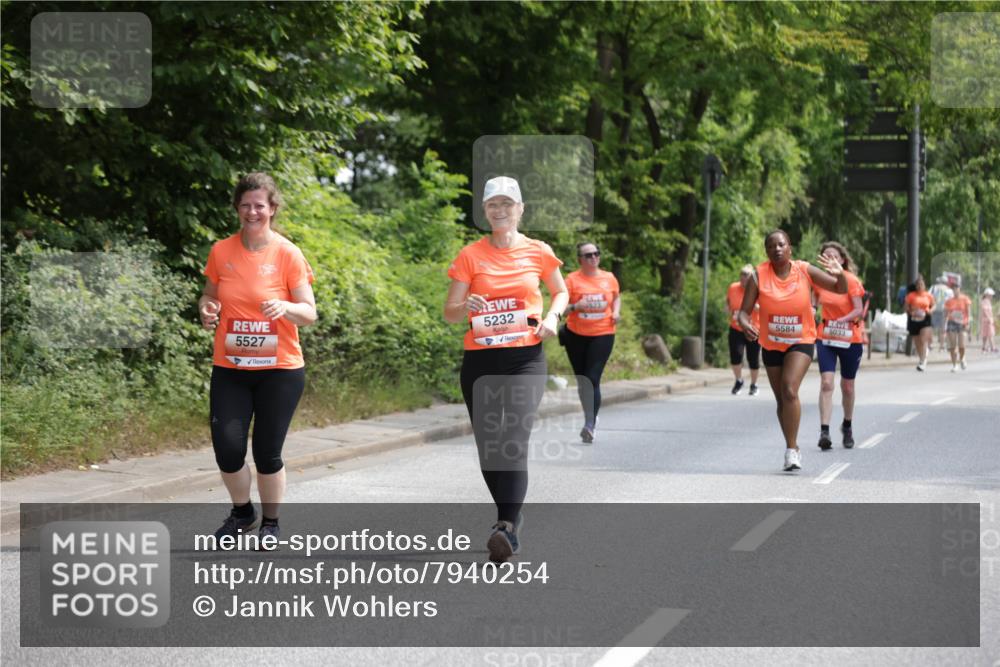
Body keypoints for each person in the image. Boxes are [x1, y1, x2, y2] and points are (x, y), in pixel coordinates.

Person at [444, 176, 567, 562]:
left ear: (520, 209)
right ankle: (512, 514)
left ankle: (505, 527)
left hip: (524, 358)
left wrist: (553, 317)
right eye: (493, 205)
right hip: (480, 360)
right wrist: (466, 307)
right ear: (485, 211)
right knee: (489, 447)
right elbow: (449, 313)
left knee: (512, 440)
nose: (500, 211)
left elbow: (560, 290)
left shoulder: (538, 251)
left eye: (507, 204)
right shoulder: (470, 255)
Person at [199, 172, 317, 543]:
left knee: (267, 452)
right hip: (231, 367)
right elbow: (208, 296)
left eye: (260, 205)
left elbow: (309, 313)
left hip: (279, 370)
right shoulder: (221, 251)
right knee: (227, 447)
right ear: (237, 208)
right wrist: (207, 310)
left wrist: (285, 306)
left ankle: (271, 522)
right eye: (246, 205)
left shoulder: (287, 253)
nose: (253, 212)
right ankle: (242, 512)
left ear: (272, 209)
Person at [737, 230, 847, 472]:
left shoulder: (804, 270)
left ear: (790, 248)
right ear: (766, 252)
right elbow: (742, 313)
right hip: (772, 343)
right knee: (782, 400)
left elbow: (840, 289)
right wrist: (746, 326)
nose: (777, 249)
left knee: (789, 389)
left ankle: (791, 450)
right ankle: (793, 447)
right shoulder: (758, 276)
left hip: (802, 341)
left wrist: (840, 275)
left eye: (781, 244)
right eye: (771, 246)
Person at [563, 241, 620, 443]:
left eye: (596, 253)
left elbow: (616, 297)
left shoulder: (609, 278)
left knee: (592, 378)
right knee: (582, 381)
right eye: (588, 255)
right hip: (575, 335)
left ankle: (590, 425)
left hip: (603, 333)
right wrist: (577, 305)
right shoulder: (571, 280)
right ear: (580, 260)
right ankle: (590, 415)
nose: (593, 257)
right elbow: (561, 308)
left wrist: (616, 312)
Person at [813, 242, 866, 450]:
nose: (830, 260)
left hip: (849, 338)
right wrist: (810, 310)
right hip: (826, 337)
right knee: (827, 383)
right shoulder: (819, 281)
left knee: (847, 386)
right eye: (825, 256)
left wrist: (843, 319)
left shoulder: (851, 280)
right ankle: (824, 431)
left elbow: (859, 310)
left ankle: (847, 425)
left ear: (842, 260)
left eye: (834, 256)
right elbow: (813, 302)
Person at [726, 265, 761, 396]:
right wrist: (728, 309)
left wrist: (757, 307)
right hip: (736, 327)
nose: (743, 277)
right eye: (742, 274)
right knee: (735, 356)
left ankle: (754, 384)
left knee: (753, 358)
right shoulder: (733, 287)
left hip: (753, 328)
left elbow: (765, 308)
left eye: (747, 275)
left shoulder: (758, 289)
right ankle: (738, 380)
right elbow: (728, 302)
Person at [905, 274, 935, 371]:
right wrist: (911, 312)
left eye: (921, 285)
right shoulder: (911, 296)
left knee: (923, 339)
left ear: (924, 285)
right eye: (918, 285)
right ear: (916, 286)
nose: (920, 287)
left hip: (925, 319)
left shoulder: (928, 295)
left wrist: (930, 311)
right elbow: (906, 307)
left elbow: (934, 306)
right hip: (914, 319)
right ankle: (922, 358)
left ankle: (923, 361)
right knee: (917, 341)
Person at [944, 283, 972, 371]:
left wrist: (968, 324)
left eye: (957, 288)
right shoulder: (949, 301)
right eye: (954, 289)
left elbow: (969, 312)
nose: (955, 290)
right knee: (953, 346)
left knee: (962, 346)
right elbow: (946, 314)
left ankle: (962, 358)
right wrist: (944, 326)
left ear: (960, 289)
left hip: (962, 323)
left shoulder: (965, 299)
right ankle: (954, 365)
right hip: (951, 323)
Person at [929, 276, 953, 352]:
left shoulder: (933, 288)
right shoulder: (949, 290)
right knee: (943, 329)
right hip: (944, 310)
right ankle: (941, 347)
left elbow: (928, 296)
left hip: (934, 309)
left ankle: (929, 345)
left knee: (931, 328)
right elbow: (951, 301)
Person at [982, 288, 997, 353]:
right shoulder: (985, 301)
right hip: (987, 320)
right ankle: (992, 347)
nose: (991, 296)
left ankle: (984, 347)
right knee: (990, 334)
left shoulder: (987, 302)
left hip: (988, 320)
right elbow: (985, 311)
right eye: (990, 295)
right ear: (987, 295)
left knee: (986, 334)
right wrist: (989, 319)